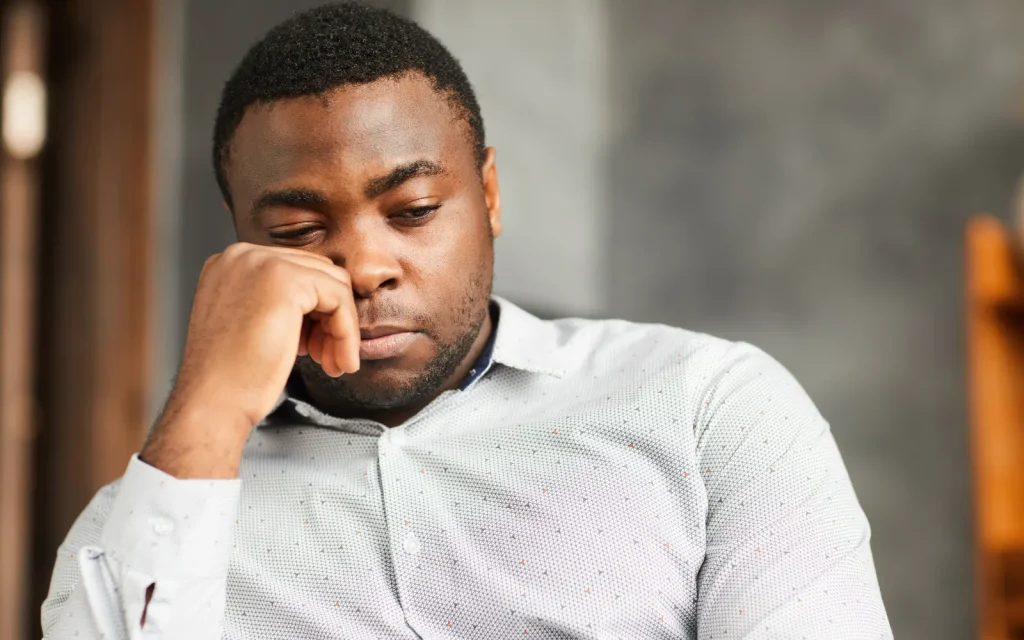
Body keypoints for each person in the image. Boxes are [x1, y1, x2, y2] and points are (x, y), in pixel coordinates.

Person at [41, 3, 890, 639]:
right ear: (242, 249)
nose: (364, 268)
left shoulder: (707, 408)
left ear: (488, 195)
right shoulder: (141, 524)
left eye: (412, 210)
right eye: (297, 231)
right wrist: (206, 408)